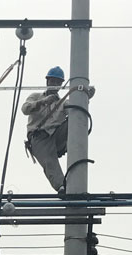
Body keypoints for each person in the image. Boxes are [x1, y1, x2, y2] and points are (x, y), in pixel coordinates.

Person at [22, 66, 95, 195]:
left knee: (75, 120)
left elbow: (76, 109)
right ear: (47, 81)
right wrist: (42, 102)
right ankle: (62, 187)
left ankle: (74, 163)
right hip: (39, 138)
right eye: (52, 81)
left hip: (56, 136)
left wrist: (85, 97)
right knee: (49, 162)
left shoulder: (62, 102)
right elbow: (25, 109)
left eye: (57, 82)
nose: (54, 84)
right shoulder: (36, 96)